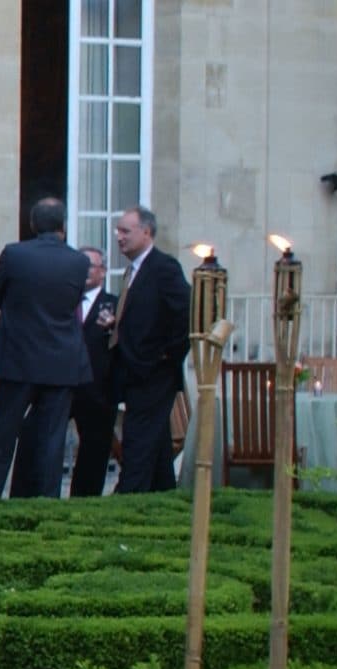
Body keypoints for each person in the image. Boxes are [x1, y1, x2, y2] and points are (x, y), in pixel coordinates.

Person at [0, 198, 91, 498]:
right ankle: (46, 498)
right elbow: (72, 301)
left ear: (33, 225)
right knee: (52, 437)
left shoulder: (15, 254)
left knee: (2, 432)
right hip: (61, 358)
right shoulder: (79, 261)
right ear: (63, 225)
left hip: (19, 356)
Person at [110, 206, 190, 493]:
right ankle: (162, 495)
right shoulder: (133, 270)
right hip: (134, 371)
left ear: (146, 232)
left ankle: (129, 501)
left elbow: (186, 314)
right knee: (154, 446)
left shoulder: (163, 267)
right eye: (118, 231)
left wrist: (166, 355)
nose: (119, 237)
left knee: (138, 442)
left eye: (125, 231)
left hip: (154, 373)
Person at [67, 246, 120, 497]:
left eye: (92, 266)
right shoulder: (63, 302)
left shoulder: (115, 304)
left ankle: (85, 498)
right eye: (81, 265)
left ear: (103, 271)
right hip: (64, 384)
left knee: (95, 448)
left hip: (99, 388)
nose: (86, 271)